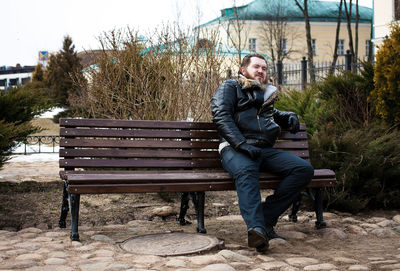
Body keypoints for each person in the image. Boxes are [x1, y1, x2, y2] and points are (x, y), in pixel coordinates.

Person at [211, 54, 314, 252]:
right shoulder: (230, 87)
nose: (261, 71)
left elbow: (270, 115)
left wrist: (288, 116)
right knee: (247, 172)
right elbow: (221, 115)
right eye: (256, 67)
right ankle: (257, 230)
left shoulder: (264, 94)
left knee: (303, 170)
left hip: (263, 150)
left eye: (264, 68)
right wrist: (241, 144)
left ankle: (266, 218)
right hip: (235, 148)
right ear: (243, 70)